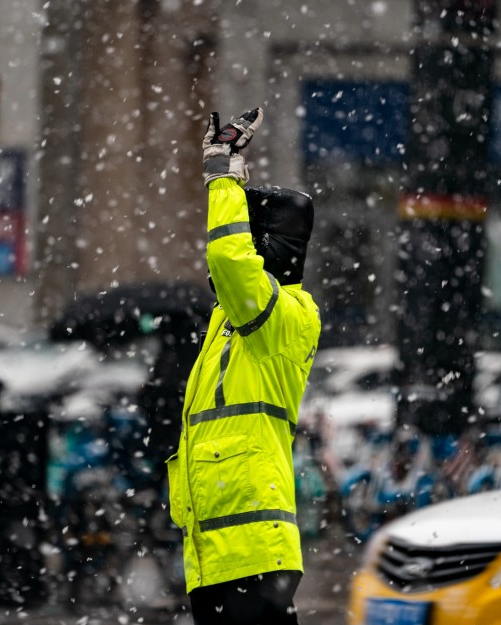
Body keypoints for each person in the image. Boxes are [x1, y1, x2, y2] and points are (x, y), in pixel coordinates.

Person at [165, 107, 321, 625]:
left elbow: (230, 260)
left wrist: (223, 177)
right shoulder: (232, 319)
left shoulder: (286, 314)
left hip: (252, 552)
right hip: (216, 554)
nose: (245, 246)